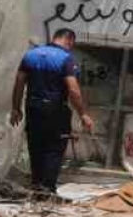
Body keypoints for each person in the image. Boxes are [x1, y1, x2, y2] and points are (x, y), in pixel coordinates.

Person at [10, 29, 94, 192]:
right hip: (55, 109)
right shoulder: (66, 59)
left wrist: (15, 108)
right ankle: (46, 188)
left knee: (35, 145)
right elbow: (73, 89)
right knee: (54, 148)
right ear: (69, 41)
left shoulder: (30, 55)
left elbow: (19, 82)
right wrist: (83, 113)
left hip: (33, 106)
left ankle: (36, 183)